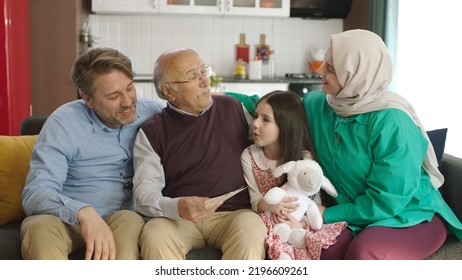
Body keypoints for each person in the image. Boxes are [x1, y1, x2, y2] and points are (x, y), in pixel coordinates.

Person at [303, 29, 462, 259]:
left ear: (357, 75)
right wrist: (232, 101)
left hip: (411, 215)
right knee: (320, 248)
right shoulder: (319, 105)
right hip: (358, 215)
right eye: (325, 64)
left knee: (364, 252)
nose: (320, 71)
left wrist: (327, 214)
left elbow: (388, 201)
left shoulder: (393, 122)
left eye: (331, 69)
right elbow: (276, 110)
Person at [21, 47, 164, 260]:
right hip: (69, 221)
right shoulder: (63, 124)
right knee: (38, 227)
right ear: (87, 99)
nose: (127, 101)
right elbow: (35, 193)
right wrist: (83, 212)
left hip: (124, 219)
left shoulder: (154, 113)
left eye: (130, 88)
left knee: (129, 220)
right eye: (114, 96)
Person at [132, 48, 267, 260]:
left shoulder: (234, 108)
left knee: (251, 230)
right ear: (168, 91)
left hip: (234, 215)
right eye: (193, 77)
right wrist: (177, 206)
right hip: (179, 220)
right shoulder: (151, 132)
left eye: (204, 71)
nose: (206, 82)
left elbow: (274, 137)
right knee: (155, 234)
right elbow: (143, 197)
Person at [241, 90, 347, 260]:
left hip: (299, 221)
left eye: (266, 120)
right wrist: (270, 206)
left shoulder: (303, 158)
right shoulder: (249, 156)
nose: (255, 124)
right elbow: (254, 199)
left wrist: (301, 224)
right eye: (256, 116)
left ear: (285, 126)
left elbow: (313, 202)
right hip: (267, 220)